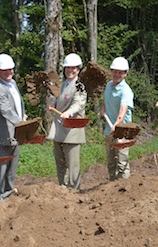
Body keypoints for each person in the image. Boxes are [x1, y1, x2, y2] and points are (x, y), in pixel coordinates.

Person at [47, 53, 87, 190]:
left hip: (72, 130)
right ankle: (62, 189)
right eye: (68, 68)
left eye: (73, 68)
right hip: (59, 129)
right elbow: (60, 100)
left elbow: (79, 103)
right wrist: (53, 103)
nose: (70, 70)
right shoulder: (64, 85)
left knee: (73, 164)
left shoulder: (79, 86)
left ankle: (75, 190)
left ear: (78, 69)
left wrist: (69, 113)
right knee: (60, 162)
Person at [0, 54, 27, 204]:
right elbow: (6, 110)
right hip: (3, 137)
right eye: (4, 70)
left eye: (10, 69)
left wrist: (23, 116)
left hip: (15, 135)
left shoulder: (13, 84)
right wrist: (21, 122)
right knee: (1, 172)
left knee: (11, 173)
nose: (9, 72)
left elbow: (17, 107)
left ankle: (8, 200)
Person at [99, 57, 134, 181]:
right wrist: (102, 109)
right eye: (115, 71)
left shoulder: (126, 91)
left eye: (120, 72)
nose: (117, 74)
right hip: (109, 129)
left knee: (122, 160)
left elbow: (123, 111)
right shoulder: (108, 85)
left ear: (125, 74)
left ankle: (124, 187)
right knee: (111, 161)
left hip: (122, 131)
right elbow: (104, 100)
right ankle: (112, 188)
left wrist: (117, 125)